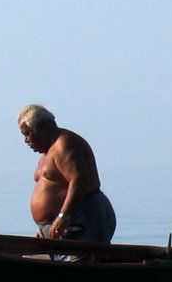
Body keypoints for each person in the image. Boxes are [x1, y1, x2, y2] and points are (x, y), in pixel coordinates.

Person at [17, 104, 116, 245]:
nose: (26, 140)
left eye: (27, 133)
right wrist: (44, 228)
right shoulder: (47, 153)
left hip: (81, 218)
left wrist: (64, 216)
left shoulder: (64, 144)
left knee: (85, 261)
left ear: (44, 127)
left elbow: (79, 180)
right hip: (61, 227)